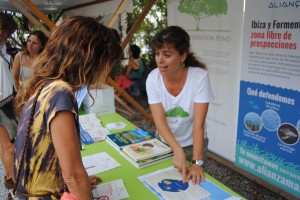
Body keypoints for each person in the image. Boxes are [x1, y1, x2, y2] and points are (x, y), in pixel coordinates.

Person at [13, 16, 122, 199]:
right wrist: (79, 183)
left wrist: (78, 181)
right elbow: (74, 175)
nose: (105, 70)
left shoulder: (45, 84)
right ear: (89, 59)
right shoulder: (61, 92)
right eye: (105, 62)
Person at [146, 26, 214, 185]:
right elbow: (160, 122)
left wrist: (197, 163)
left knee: (193, 185)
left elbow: (198, 124)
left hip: (194, 145)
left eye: (167, 55)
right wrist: (176, 149)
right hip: (164, 144)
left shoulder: (199, 77)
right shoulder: (153, 79)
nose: (160, 60)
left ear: (182, 56)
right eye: (157, 53)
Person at [0, 12, 18, 189]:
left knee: (4, 146)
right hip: (3, 104)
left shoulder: (2, 50)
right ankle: (14, 180)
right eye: (7, 32)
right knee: (9, 146)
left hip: (5, 101)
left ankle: (9, 177)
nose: (8, 37)